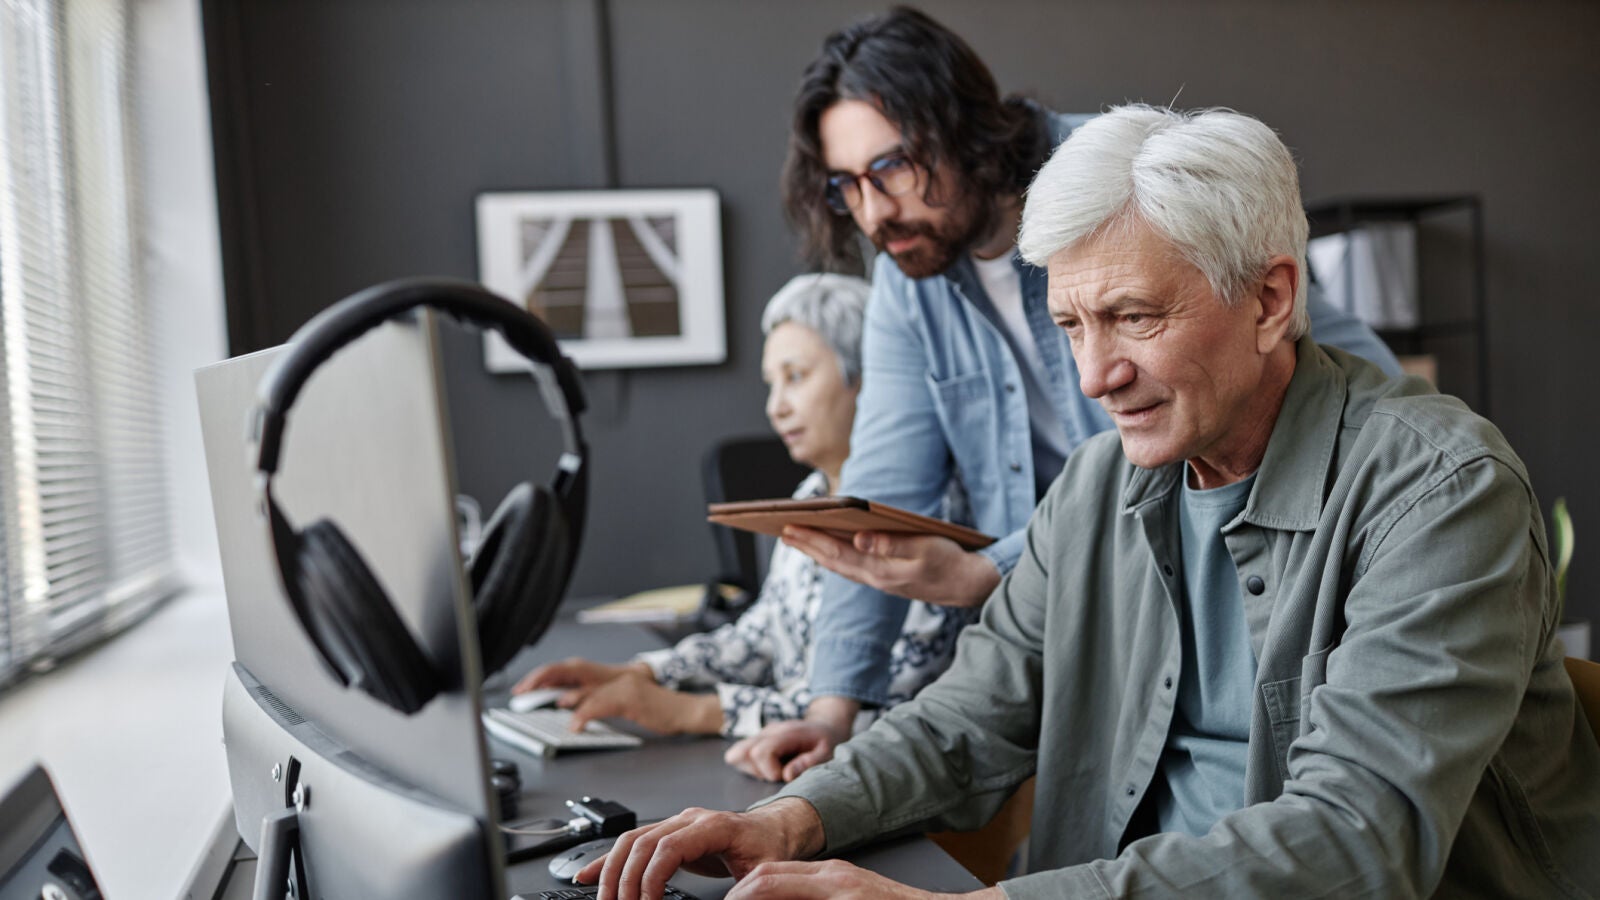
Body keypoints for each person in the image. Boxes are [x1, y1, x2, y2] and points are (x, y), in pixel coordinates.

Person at [582, 105, 1600, 899]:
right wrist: (791, 820)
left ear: (1271, 300)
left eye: (1130, 316)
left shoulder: (1440, 492)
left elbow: (1354, 840)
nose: (1093, 374)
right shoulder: (1101, 483)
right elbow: (968, 720)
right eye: (1071, 324)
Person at [731, 5, 1406, 782]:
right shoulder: (910, 277)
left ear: (961, 126)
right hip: (1089, 601)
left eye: (892, 167)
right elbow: (883, 486)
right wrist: (831, 712)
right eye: (848, 185)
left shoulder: (1126, 181)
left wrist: (998, 570)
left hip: (1270, 548)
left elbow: (1277, 390)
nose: (875, 211)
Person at [512, 273, 975, 738]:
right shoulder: (810, 495)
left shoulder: (931, 515)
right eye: (772, 384)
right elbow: (764, 634)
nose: (776, 407)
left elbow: (890, 705)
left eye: (796, 377)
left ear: (872, 379)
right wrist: (644, 674)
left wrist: (690, 712)